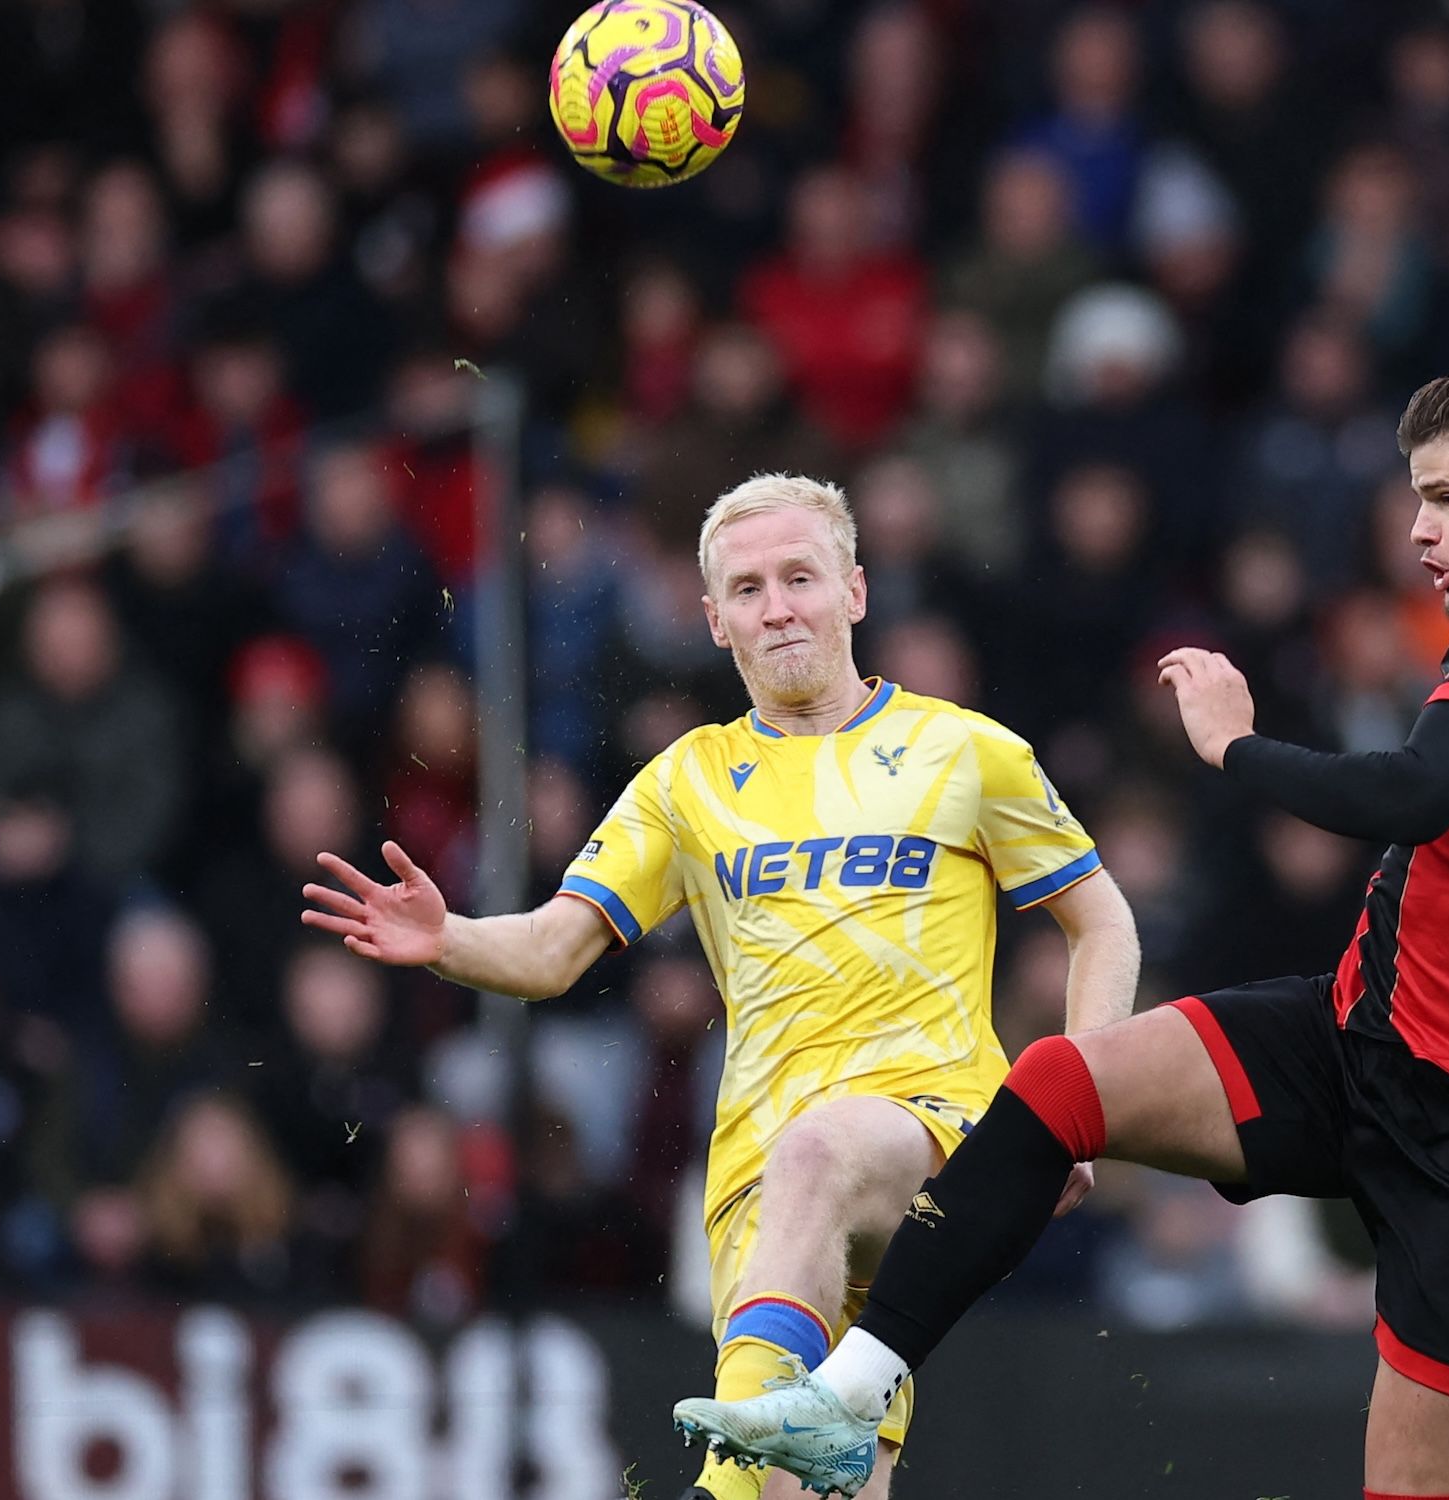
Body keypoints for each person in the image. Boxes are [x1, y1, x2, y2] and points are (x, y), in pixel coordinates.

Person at [676, 358, 1449, 1500]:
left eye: (1443, 496)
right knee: (1055, 1084)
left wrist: (1234, 744)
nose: (1419, 530)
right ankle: (848, 1397)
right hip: (1355, 1039)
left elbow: (1409, 797)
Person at [301, 474, 1139, 1500]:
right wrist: (448, 938)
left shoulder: (964, 750)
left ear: (857, 592)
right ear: (712, 619)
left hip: (934, 1133)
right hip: (760, 1191)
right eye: (747, 589)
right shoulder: (685, 781)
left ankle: (721, 1483)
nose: (777, 606)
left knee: (821, 1154)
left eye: (800, 578)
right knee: (824, 1485)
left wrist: (1076, 1108)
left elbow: (1101, 920)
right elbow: (556, 950)